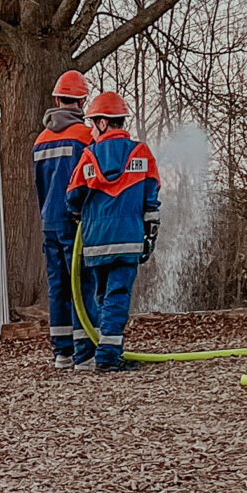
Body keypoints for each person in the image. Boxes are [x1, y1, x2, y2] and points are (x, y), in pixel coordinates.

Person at [60, 90, 160, 371]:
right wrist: (149, 237)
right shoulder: (141, 153)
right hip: (128, 240)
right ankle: (108, 356)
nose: (91, 130)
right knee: (118, 295)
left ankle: (106, 349)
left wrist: (83, 218)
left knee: (103, 296)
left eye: (93, 124)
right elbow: (152, 199)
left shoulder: (89, 156)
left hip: (95, 243)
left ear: (103, 122)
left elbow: (72, 198)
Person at [32, 70, 95, 369]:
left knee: (57, 286)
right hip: (76, 223)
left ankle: (62, 352)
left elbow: (40, 187)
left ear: (57, 100)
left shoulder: (40, 140)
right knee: (81, 284)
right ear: (82, 102)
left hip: (49, 222)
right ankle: (86, 353)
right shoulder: (86, 136)